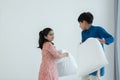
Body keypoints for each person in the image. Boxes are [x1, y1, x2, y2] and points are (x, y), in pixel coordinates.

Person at [77, 12, 114, 80]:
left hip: (96, 61)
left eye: (80, 23)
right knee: (84, 77)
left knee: (95, 78)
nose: (79, 26)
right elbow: (85, 45)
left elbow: (111, 38)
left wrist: (101, 41)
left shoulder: (98, 29)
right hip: (87, 61)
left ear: (84, 22)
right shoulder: (83, 33)